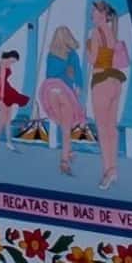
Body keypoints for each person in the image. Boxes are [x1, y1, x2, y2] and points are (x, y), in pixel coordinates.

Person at [87, 1, 131, 190]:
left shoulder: (96, 33)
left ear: (102, 13)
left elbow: (93, 59)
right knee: (112, 128)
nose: (91, 14)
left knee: (103, 130)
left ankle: (108, 171)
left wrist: (87, 48)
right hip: (115, 82)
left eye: (94, 11)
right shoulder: (113, 31)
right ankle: (114, 169)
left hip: (101, 81)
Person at [37, 27, 86, 175]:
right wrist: (77, 85)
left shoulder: (51, 55)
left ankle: (69, 151)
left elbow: (49, 75)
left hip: (49, 90)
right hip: (64, 91)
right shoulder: (72, 54)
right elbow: (77, 74)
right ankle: (64, 161)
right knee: (66, 128)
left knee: (62, 124)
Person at [0, 50, 29, 152]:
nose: (13, 62)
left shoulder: (7, 62)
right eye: (13, 60)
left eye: (14, 61)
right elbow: (2, 79)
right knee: (3, 116)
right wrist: (2, 94)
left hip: (5, 87)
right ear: (11, 56)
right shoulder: (3, 62)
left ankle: (9, 142)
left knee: (8, 118)